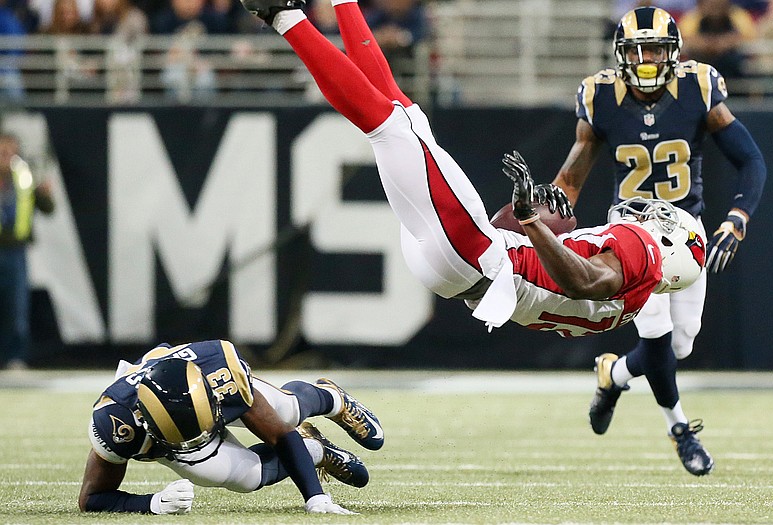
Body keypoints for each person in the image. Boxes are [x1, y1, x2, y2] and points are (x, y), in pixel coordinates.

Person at [236, 0, 706, 343]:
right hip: (460, 275)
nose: (650, 218)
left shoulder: (641, 253)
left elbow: (581, 281)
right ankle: (336, 4)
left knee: (393, 129)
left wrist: (532, 223)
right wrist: (534, 222)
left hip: (479, 257)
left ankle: (284, 16)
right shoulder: (628, 305)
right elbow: (551, 272)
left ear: (669, 248)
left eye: (663, 223)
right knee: (405, 119)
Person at [551, 6, 766, 475]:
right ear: (620, 54)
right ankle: (680, 430)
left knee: (680, 344)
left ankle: (614, 374)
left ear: (675, 52)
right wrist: (541, 227)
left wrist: (736, 218)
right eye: (637, 51)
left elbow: (751, 161)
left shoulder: (698, 86)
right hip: (629, 230)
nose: (646, 60)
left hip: (685, 229)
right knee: (654, 331)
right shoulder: (601, 95)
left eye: (655, 50)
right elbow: (571, 178)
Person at [78, 339, 384, 514]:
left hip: (205, 384)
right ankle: (315, 450)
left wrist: (316, 499)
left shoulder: (222, 376)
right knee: (248, 477)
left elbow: (279, 433)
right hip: (167, 428)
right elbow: (92, 498)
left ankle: (333, 399)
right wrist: (152, 504)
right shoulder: (116, 421)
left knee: (287, 412)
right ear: (144, 420)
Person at [0, 133, 55, 370]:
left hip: (15, 251)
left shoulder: (24, 177)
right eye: (3, 151)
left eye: (11, 152)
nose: (7, 157)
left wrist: (45, 193)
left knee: (16, 309)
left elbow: (48, 209)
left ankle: (15, 358)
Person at [679, 0, 757, 80]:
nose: (715, 5)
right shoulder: (692, 17)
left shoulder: (738, 16)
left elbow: (748, 38)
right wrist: (707, 44)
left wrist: (726, 42)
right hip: (701, 65)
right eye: (711, 3)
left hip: (732, 69)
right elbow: (685, 38)